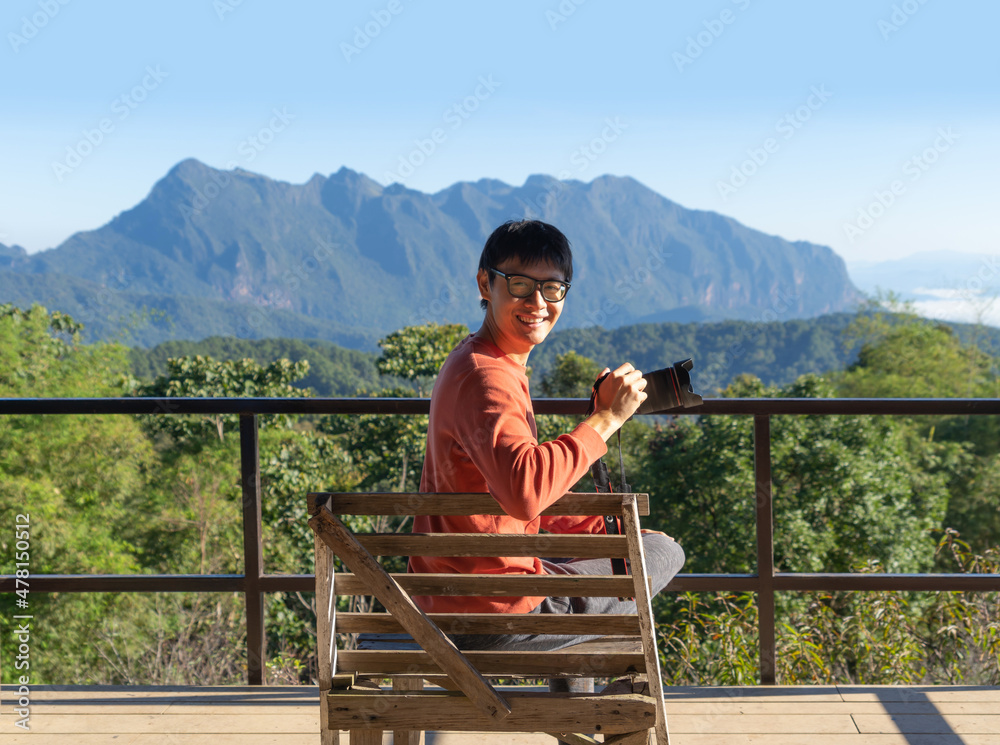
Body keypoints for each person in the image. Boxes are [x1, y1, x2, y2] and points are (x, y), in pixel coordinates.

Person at [410, 219, 685, 657]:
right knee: (663, 552)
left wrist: (600, 532)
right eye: (519, 284)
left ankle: (585, 715)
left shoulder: (476, 362)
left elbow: (513, 493)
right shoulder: (489, 379)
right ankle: (607, 718)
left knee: (617, 554)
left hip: (449, 600)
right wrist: (607, 418)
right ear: (485, 283)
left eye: (553, 288)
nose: (537, 302)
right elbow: (524, 490)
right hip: (495, 617)